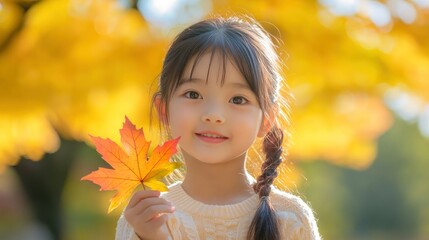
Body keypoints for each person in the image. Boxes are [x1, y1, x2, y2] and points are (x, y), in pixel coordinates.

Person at [115, 15, 321, 240]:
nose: (213, 115)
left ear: (267, 119)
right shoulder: (144, 221)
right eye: (193, 94)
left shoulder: (289, 219)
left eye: (238, 99)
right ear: (164, 109)